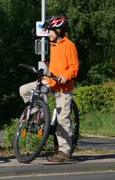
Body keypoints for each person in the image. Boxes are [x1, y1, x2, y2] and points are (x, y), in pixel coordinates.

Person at [19, 13, 79, 163]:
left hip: (63, 88)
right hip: (50, 83)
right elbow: (54, 65)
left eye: (50, 31)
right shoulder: (53, 46)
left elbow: (74, 67)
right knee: (25, 90)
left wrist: (66, 76)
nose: (48, 34)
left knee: (62, 119)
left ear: (59, 30)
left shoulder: (69, 45)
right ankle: (39, 116)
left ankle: (64, 151)